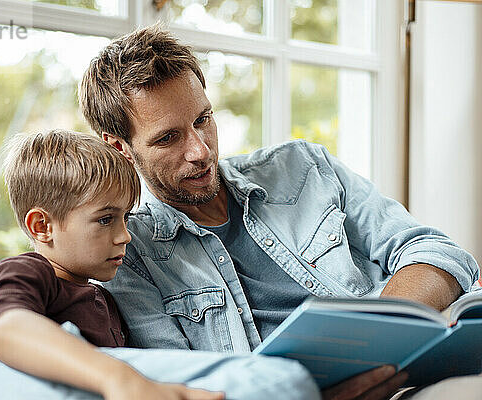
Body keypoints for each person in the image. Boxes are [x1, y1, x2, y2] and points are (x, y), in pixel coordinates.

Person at [78, 25, 481, 399]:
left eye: (203, 120)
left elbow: (436, 252)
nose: (200, 151)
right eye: (168, 138)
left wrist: (384, 338)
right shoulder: (127, 254)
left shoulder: (302, 167)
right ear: (119, 147)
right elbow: (181, 386)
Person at [0, 129, 322, 400]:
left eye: (126, 218)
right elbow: (5, 328)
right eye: (105, 219)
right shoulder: (28, 271)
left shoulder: (106, 300)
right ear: (43, 226)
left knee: (281, 383)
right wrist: (118, 377)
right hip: (2, 385)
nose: (125, 236)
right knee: (281, 383)